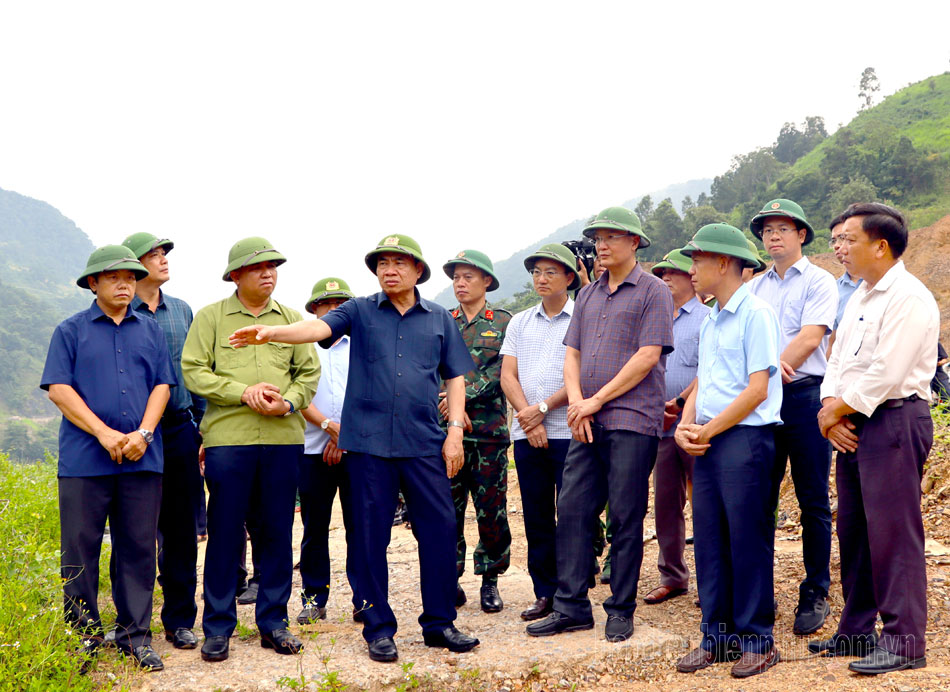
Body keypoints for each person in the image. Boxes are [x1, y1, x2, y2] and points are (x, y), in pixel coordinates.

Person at [229, 234, 480, 663]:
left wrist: (455, 429)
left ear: (417, 270)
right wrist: (272, 332)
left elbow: (455, 375)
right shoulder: (360, 310)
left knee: (438, 532)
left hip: (423, 444)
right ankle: (377, 628)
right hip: (368, 447)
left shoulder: (439, 318)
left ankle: (440, 623)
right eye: (382, 263)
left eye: (399, 263)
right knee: (368, 539)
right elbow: (318, 328)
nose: (389, 270)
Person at [526, 206, 674, 644]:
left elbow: (649, 355)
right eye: (598, 239)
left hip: (632, 418)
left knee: (625, 514)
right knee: (572, 509)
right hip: (586, 419)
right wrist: (576, 403)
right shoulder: (588, 296)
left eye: (612, 238)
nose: (602, 246)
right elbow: (571, 353)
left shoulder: (653, 291)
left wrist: (596, 400)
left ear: (635, 243)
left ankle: (620, 608)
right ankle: (571, 607)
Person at [811, 203, 939, 675]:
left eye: (848, 239)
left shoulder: (908, 296)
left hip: (894, 420)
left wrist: (834, 411)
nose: (839, 248)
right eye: (837, 240)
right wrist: (829, 412)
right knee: (856, 530)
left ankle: (905, 641)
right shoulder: (861, 298)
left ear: (880, 246)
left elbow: (887, 372)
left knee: (893, 533)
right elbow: (837, 362)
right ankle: (856, 630)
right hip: (853, 421)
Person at [181, 237, 319, 662]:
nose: (268, 273)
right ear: (236, 275)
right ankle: (217, 628)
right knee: (224, 533)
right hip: (228, 441)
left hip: (282, 440)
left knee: (276, 533)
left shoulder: (291, 320)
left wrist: (290, 402)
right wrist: (243, 393)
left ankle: (274, 624)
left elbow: (308, 372)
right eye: (258, 267)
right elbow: (193, 372)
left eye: (273, 267)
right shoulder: (211, 318)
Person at [41, 245, 175, 672]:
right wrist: (103, 432)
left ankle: (135, 637)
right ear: (93, 283)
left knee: (138, 548)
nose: (124, 283)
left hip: (142, 457)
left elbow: (162, 386)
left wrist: (144, 433)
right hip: (84, 461)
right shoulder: (71, 330)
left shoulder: (151, 331)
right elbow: (60, 389)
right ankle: (83, 639)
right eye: (114, 277)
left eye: (131, 277)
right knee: (79, 550)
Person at [674, 223, 783, 679]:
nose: (690, 269)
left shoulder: (756, 314)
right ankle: (715, 636)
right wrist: (686, 423)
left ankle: (758, 639)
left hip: (746, 440)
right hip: (710, 438)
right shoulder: (711, 318)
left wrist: (708, 430)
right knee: (711, 539)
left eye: (697, 261)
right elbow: (704, 381)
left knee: (747, 539)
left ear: (723, 263)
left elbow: (758, 389)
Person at [748, 198, 837, 634]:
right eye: (767, 230)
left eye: (783, 228)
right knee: (760, 499)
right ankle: (758, 593)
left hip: (803, 397)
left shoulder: (821, 281)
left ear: (802, 234)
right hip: (762, 401)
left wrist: (765, 371)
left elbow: (811, 336)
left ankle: (816, 589)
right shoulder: (754, 288)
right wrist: (760, 379)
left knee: (813, 499)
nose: (774, 236)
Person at [121, 232, 205, 651]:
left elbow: (196, 371)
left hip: (178, 429)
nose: (163, 260)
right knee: (135, 531)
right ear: (134, 267)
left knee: (181, 530)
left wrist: (204, 429)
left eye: (163, 254)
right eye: (152, 255)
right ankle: (133, 627)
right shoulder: (119, 311)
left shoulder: (182, 311)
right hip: (132, 434)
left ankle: (179, 620)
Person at [499, 243, 578, 621]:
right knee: (537, 515)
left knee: (573, 512)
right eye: (536, 272)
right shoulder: (519, 322)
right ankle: (545, 591)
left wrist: (543, 410)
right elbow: (507, 375)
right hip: (526, 434)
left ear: (569, 277)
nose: (541, 279)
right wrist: (528, 418)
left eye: (550, 272)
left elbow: (581, 375)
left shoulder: (582, 317)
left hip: (568, 430)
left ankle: (572, 592)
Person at [440, 250, 513, 613]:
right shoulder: (440, 321)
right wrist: (450, 410)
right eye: (456, 277)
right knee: (446, 511)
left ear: (486, 281)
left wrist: (459, 400)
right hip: (446, 435)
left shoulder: (502, 323)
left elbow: (501, 372)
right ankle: (449, 579)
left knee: (491, 510)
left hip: (488, 435)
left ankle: (490, 580)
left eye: (468, 276)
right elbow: (428, 369)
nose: (460, 283)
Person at [642, 249, 709, 605]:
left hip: (697, 426)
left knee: (706, 503)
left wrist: (681, 402)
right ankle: (673, 576)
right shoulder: (655, 318)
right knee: (666, 503)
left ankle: (710, 579)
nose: (666, 279)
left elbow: (710, 371)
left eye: (673, 273)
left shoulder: (707, 318)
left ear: (691, 277)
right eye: (662, 273)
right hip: (661, 426)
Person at [296, 277, 359, 624]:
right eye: (326, 305)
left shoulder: (361, 345)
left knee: (360, 527)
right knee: (314, 527)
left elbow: (369, 392)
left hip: (356, 449)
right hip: (312, 449)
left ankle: (364, 599)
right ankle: (313, 598)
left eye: (340, 305)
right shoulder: (304, 348)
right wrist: (327, 428)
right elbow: (298, 394)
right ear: (315, 310)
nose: (333, 310)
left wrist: (343, 436)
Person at [827, 212, 863, 358]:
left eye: (842, 238)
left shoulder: (881, 284)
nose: (837, 246)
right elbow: (832, 343)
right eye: (833, 241)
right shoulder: (833, 290)